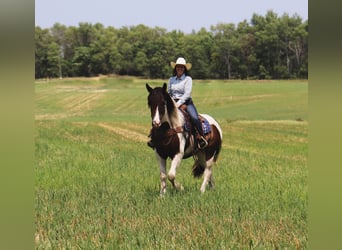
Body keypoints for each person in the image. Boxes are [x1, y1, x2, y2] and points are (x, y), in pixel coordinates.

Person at [168, 57, 208, 149]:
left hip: (186, 102)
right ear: (175, 68)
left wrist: (178, 104)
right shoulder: (171, 80)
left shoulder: (188, 79)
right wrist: (172, 102)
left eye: (182, 67)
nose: (180, 68)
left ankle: (201, 137)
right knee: (160, 116)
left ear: (184, 69)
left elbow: (187, 94)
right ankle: (155, 137)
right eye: (178, 67)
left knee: (194, 117)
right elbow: (169, 93)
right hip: (173, 102)